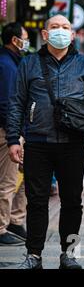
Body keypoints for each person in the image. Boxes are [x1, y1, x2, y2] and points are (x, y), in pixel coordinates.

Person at [7, 15, 84, 269]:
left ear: (73, 35)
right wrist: (13, 139)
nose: (60, 31)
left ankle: (69, 254)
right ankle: (34, 256)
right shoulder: (29, 63)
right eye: (55, 27)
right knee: (37, 201)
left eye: (65, 28)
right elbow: (16, 102)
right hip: (38, 142)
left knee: (72, 201)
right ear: (44, 33)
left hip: (73, 143)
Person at [0, 22, 29, 246]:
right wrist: (12, 136)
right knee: (8, 180)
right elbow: (8, 103)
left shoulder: (14, 63)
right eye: (25, 37)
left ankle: (15, 220)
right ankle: (1, 227)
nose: (26, 42)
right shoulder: (6, 66)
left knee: (24, 176)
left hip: (17, 131)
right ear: (14, 40)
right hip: (8, 133)